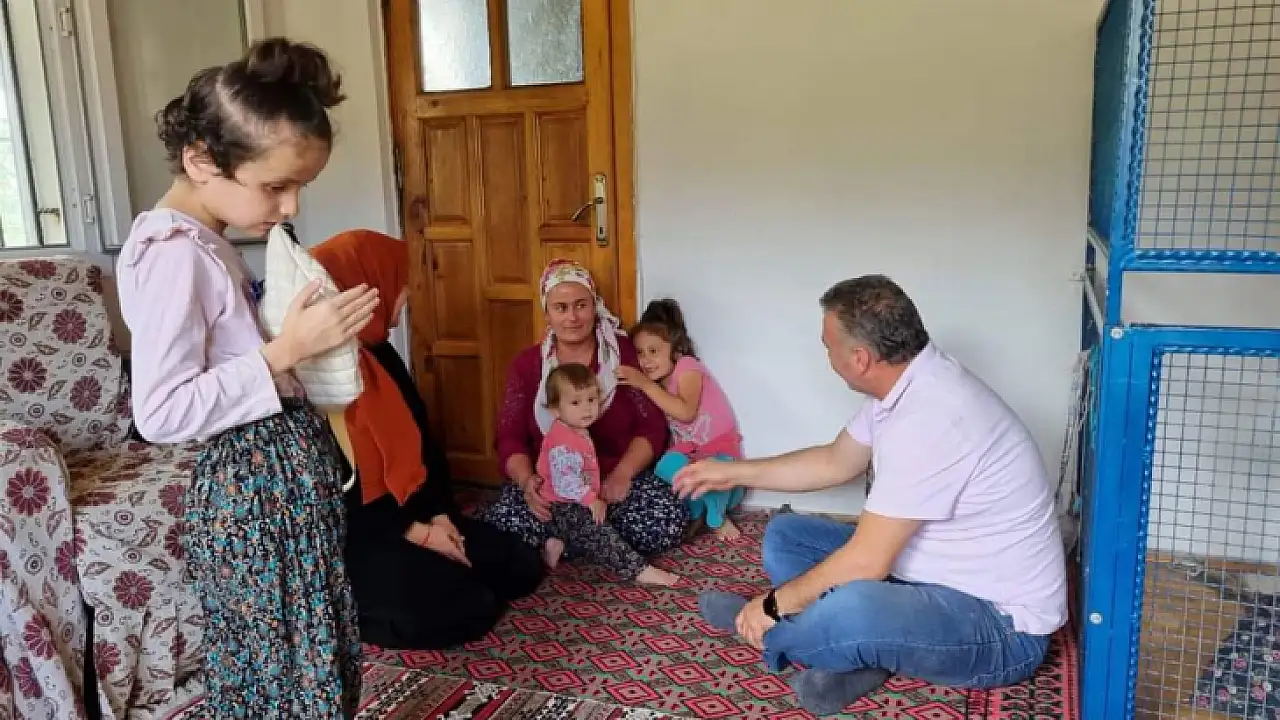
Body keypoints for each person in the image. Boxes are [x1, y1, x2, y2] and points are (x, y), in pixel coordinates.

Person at [116, 39, 375, 718]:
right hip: (252, 494)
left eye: (300, 187)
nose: (290, 207)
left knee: (302, 656)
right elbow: (161, 411)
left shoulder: (207, 242)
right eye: (275, 185)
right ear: (202, 159)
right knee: (281, 668)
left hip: (277, 486)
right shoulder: (175, 255)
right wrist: (285, 350)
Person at [676, 275, 1066, 716]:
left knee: (853, 607)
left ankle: (775, 634)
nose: (826, 356)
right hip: (925, 575)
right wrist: (731, 472)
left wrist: (770, 605)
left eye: (828, 346)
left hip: (1002, 628)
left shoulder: (930, 416)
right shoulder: (904, 388)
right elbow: (834, 462)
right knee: (787, 537)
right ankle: (859, 654)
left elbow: (867, 562)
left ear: (860, 358)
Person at [310, 229, 545, 649]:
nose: (406, 298)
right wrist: (417, 532)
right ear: (367, 286)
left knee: (519, 566)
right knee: (469, 606)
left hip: (414, 511)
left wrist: (439, 516)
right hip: (363, 535)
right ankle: (344, 609)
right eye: (399, 284)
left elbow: (423, 448)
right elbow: (339, 497)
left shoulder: (381, 354)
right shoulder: (320, 377)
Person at [478, 259, 688, 561]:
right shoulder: (526, 366)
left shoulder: (624, 353)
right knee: (503, 524)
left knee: (665, 521)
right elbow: (510, 437)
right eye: (560, 308)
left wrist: (622, 475)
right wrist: (526, 482)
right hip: (553, 486)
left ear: (595, 306)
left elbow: (651, 426)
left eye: (581, 305)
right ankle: (596, 540)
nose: (572, 317)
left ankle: (568, 540)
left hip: (612, 481)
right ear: (547, 313)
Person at [534, 364, 680, 585]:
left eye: (591, 400)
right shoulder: (562, 443)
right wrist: (591, 500)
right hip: (562, 505)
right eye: (576, 403)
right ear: (555, 410)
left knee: (598, 520)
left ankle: (558, 543)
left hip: (574, 499)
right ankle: (639, 570)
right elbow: (565, 483)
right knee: (598, 528)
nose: (587, 408)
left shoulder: (575, 429)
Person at [621, 298, 746, 540]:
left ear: (676, 350)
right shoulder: (658, 384)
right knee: (664, 467)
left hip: (721, 458)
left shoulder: (687, 367)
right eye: (640, 353)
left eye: (654, 351)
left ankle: (717, 516)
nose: (646, 361)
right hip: (691, 458)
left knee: (714, 473)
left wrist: (644, 384)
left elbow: (686, 412)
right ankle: (701, 510)